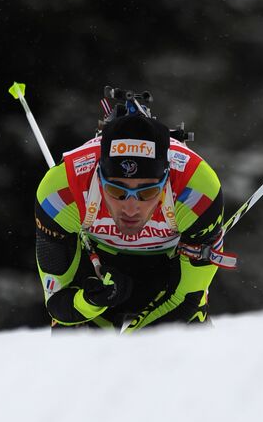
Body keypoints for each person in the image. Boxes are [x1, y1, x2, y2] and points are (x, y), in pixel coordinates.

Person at [35, 92, 229, 331]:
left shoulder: (197, 189)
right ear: (98, 176)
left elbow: (186, 298)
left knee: (175, 346)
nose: (130, 207)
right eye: (117, 191)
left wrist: (132, 352)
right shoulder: (62, 191)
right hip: (98, 270)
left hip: (170, 270)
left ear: (167, 179)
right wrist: (89, 301)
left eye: (146, 193)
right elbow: (57, 303)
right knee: (72, 349)